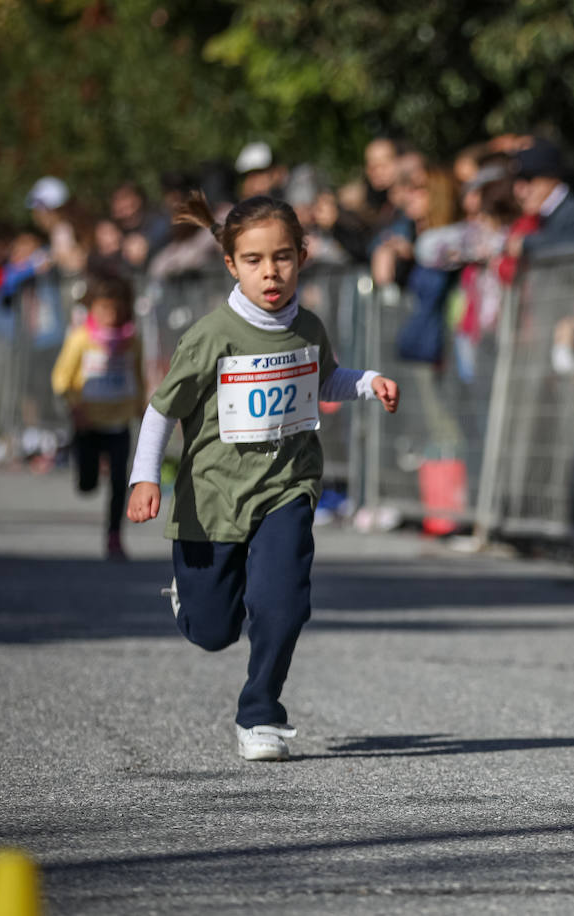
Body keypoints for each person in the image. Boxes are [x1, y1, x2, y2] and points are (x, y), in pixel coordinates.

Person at [125, 192, 400, 761]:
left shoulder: (308, 326)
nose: (269, 272)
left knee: (283, 604)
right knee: (213, 630)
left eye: (282, 257)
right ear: (231, 264)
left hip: (287, 487)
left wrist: (368, 382)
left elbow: (324, 380)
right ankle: (191, 597)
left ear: (302, 256)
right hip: (215, 499)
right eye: (253, 260)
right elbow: (162, 409)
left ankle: (261, 714)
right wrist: (144, 477)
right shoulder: (211, 336)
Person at [51, 272, 147, 559]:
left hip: (119, 423)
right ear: (92, 308)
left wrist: (142, 407)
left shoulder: (132, 341)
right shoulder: (81, 339)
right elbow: (61, 378)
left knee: (120, 482)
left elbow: (138, 376)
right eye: (104, 309)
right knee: (88, 484)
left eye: (117, 309)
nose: (111, 315)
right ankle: (85, 475)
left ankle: (114, 536)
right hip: (88, 423)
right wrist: (75, 407)